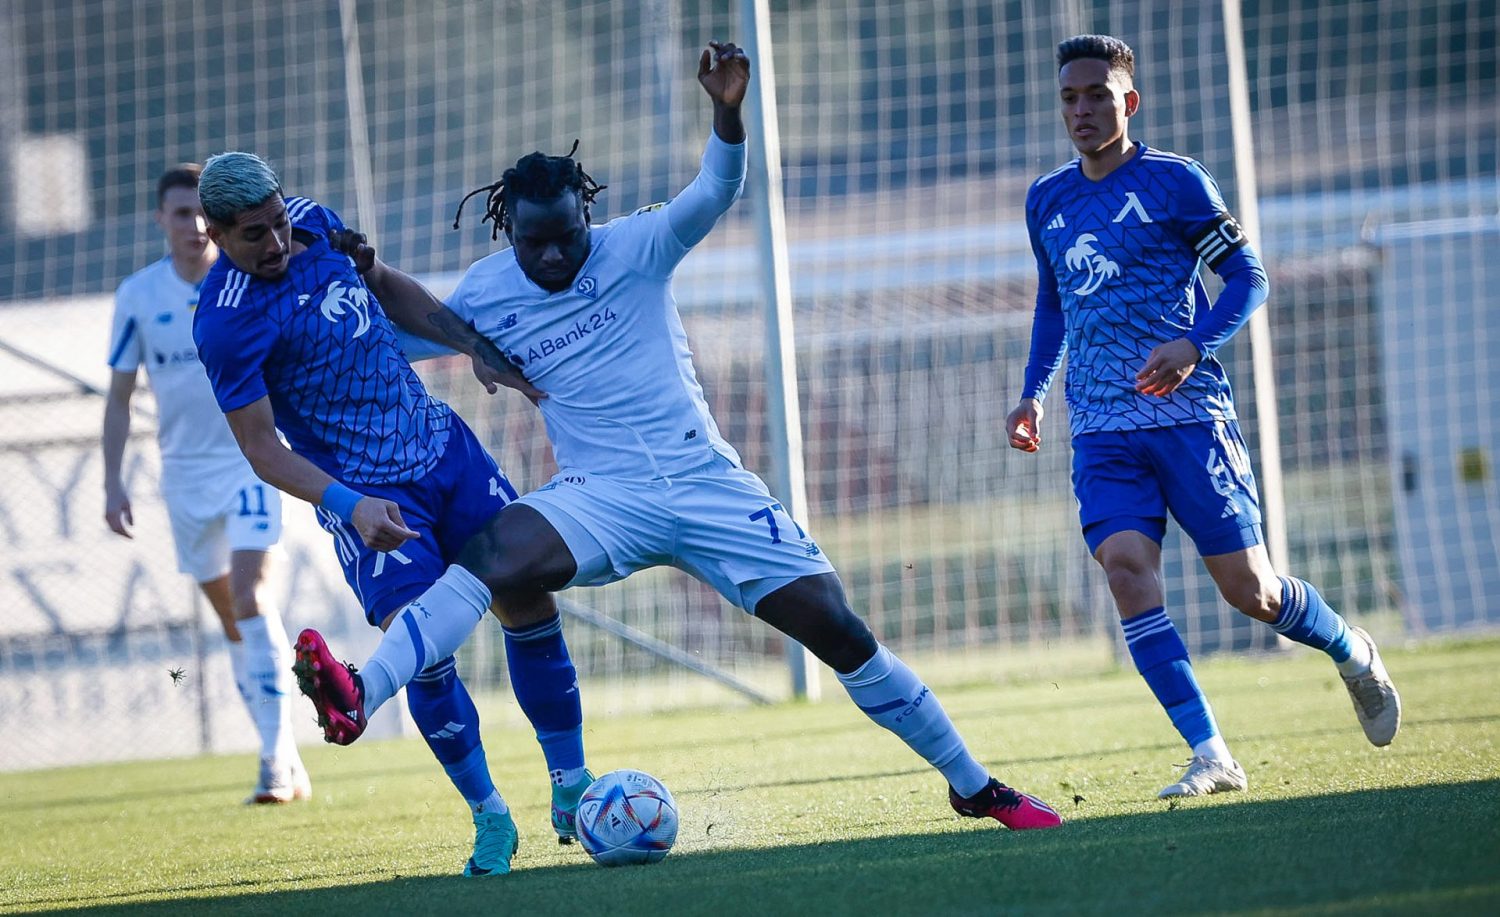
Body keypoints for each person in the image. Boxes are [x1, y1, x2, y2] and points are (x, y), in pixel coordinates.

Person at [302, 39, 1062, 831]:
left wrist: (726, 113)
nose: (554, 253)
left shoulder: (637, 246)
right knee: (489, 558)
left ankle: (974, 785)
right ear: (509, 234)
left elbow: (715, 190)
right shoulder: (488, 292)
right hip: (600, 495)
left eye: (566, 234)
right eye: (535, 243)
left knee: (841, 632)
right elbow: (402, 334)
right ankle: (362, 690)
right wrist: (357, 279)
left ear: (586, 214)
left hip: (706, 484)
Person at [1006, 34, 1401, 798]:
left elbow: (1248, 279)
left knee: (1251, 592)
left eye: (1097, 95)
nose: (1082, 110)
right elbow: (1054, 303)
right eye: (1069, 98)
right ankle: (1211, 753)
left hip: (1189, 419)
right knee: (1126, 572)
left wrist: (1193, 344)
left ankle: (1353, 650)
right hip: (1102, 428)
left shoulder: (1176, 182)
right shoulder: (1046, 198)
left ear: (1129, 100)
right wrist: (1034, 390)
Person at [190, 157, 593, 876]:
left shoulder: (315, 221)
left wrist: (472, 345)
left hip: (445, 450)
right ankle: (490, 817)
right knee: (425, 653)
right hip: (369, 496)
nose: (278, 243)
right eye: (255, 235)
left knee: (528, 598)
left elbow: (383, 285)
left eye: (279, 223)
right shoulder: (224, 323)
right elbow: (261, 450)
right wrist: (349, 506)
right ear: (216, 234)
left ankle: (571, 787)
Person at [103, 164, 309, 805]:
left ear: (215, 220)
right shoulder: (138, 296)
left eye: (200, 213)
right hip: (185, 477)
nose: (192, 225)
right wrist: (112, 482)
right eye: (180, 213)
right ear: (160, 220)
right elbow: (119, 397)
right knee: (234, 620)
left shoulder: (249, 280)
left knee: (251, 597)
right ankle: (284, 754)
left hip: (251, 462)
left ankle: (274, 761)